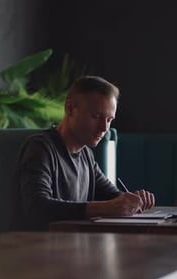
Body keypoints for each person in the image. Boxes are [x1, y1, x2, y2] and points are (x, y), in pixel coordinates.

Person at [11, 76, 155, 231]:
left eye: (109, 120)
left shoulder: (86, 155)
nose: (104, 128)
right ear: (70, 108)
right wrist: (105, 208)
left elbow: (112, 196)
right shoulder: (40, 147)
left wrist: (133, 201)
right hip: (38, 249)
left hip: (73, 248)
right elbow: (37, 207)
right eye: (96, 117)